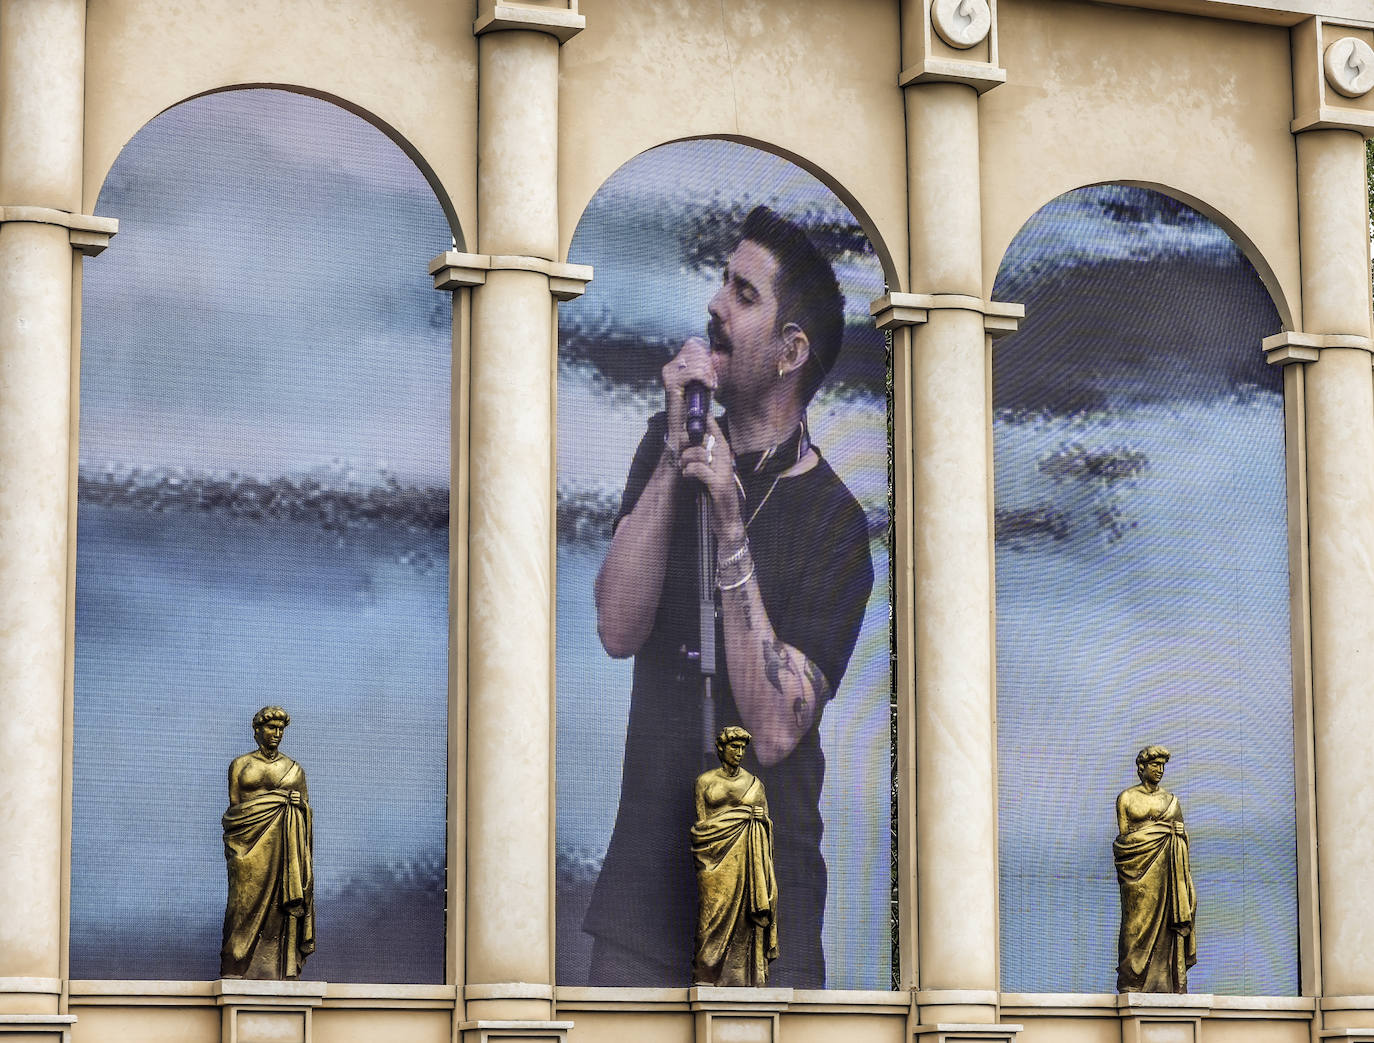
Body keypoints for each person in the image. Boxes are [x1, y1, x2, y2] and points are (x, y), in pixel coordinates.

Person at [585, 206, 874, 987]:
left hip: (763, 910)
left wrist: (729, 519)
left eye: (743, 293)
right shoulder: (665, 445)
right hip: (643, 899)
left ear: (791, 351)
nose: (715, 304)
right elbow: (616, 624)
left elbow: (777, 726)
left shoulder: (836, 525)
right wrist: (674, 461)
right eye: (721, 282)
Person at [221, 705, 315, 979]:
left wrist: (300, 808)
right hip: (247, 846)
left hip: (284, 849)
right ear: (257, 731)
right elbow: (234, 812)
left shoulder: (293, 769)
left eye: (281, 729)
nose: (276, 734)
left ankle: (277, 968)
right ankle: (236, 963)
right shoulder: (241, 765)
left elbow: (306, 809)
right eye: (271, 728)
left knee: (279, 909)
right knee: (241, 904)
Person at [692, 726, 778, 986]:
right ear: (722, 748)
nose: (739, 753)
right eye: (734, 747)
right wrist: (734, 819)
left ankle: (745, 977)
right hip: (714, 859)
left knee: (745, 918)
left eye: (743, 748)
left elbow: (766, 824)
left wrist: (762, 823)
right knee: (711, 915)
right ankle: (707, 974)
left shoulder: (754, 784)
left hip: (749, 859)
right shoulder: (705, 781)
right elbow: (700, 828)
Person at [1114, 744, 1196, 993]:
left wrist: (1181, 836)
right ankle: (1132, 981)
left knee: (1169, 926)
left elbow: (1181, 838)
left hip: (1169, 874)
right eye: (1154, 765)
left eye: (1162, 766)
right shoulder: (1127, 798)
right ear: (1142, 768)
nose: (1159, 770)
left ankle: (1170, 981)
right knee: (1134, 925)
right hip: (1138, 874)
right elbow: (1124, 842)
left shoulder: (1171, 801)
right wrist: (1152, 836)